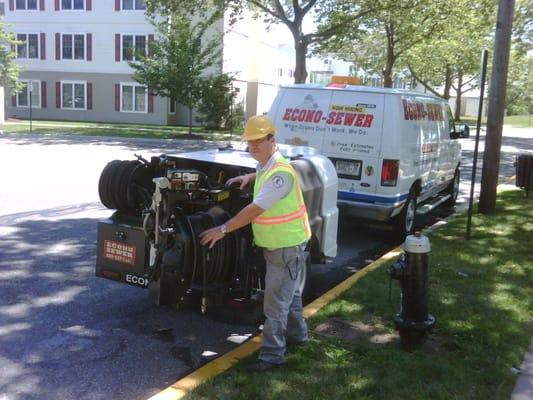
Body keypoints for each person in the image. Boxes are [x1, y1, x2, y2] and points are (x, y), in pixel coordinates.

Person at [199, 115, 311, 372]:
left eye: (259, 142)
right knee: (289, 295)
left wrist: (223, 228)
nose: (253, 147)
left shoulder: (280, 174)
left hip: (286, 247)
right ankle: (299, 337)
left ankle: (272, 357)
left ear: (273, 140)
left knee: (274, 305)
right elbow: (262, 172)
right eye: (250, 143)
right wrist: (248, 178)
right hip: (283, 246)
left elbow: (254, 210)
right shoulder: (267, 165)